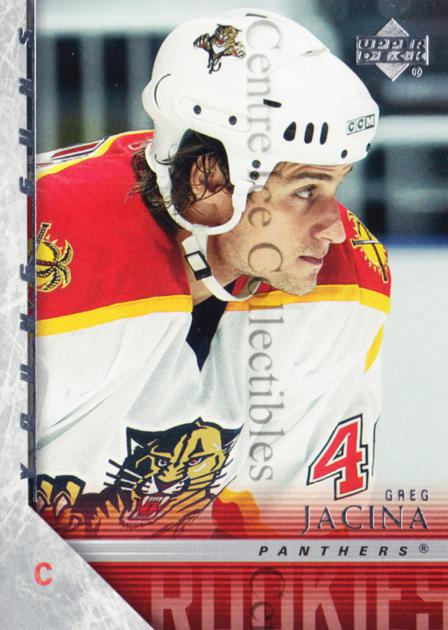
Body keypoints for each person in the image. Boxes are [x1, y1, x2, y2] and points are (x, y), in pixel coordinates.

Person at [35, 9, 390, 537]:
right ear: (210, 179)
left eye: (335, 186)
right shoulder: (44, 255)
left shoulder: (341, 285)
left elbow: (295, 533)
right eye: (305, 191)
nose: (336, 230)